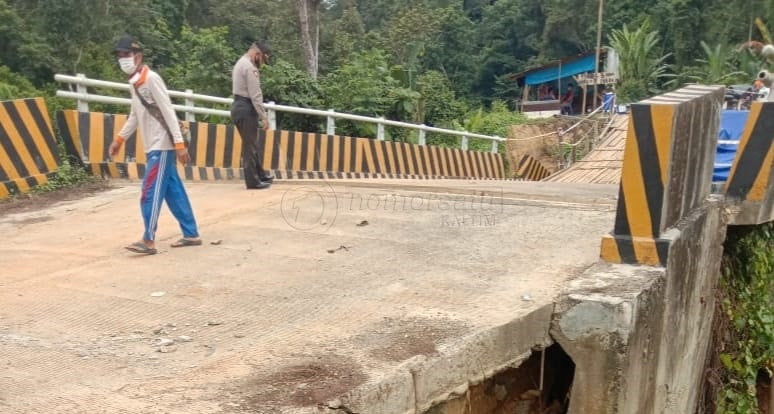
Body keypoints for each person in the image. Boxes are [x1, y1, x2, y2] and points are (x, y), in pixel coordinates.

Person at [108, 35, 202, 255]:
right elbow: (135, 114)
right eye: (120, 55)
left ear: (138, 56)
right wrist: (119, 139)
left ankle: (148, 240)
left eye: (126, 55)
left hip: (162, 145)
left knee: (149, 191)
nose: (123, 59)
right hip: (154, 145)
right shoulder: (135, 82)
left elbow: (168, 110)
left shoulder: (151, 79)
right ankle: (191, 233)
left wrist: (179, 144)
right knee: (173, 191)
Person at [231, 40, 274, 190]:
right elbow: (256, 95)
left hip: (238, 106)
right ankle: (252, 181)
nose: (261, 62)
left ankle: (261, 175)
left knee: (252, 144)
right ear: (257, 54)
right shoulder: (250, 67)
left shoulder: (240, 62)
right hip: (246, 107)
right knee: (250, 146)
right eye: (262, 59)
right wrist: (264, 116)